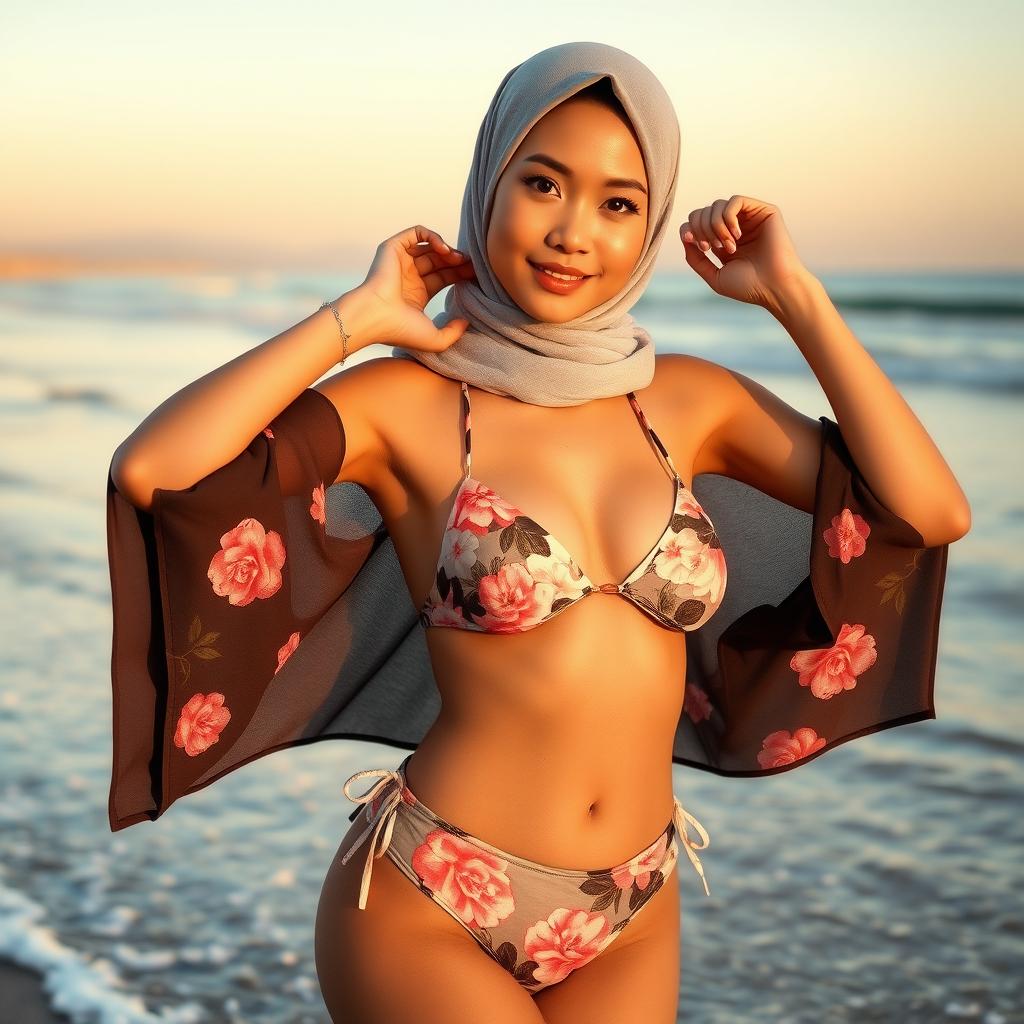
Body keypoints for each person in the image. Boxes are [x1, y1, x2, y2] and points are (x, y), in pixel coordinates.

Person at [106, 43, 969, 1024]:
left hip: (632, 905)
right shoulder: (409, 403)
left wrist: (797, 299)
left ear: (648, 227)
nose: (571, 232)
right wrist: (355, 319)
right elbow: (156, 470)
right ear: (489, 184)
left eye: (616, 203)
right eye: (543, 182)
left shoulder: (686, 402)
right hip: (429, 888)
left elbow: (928, 511)